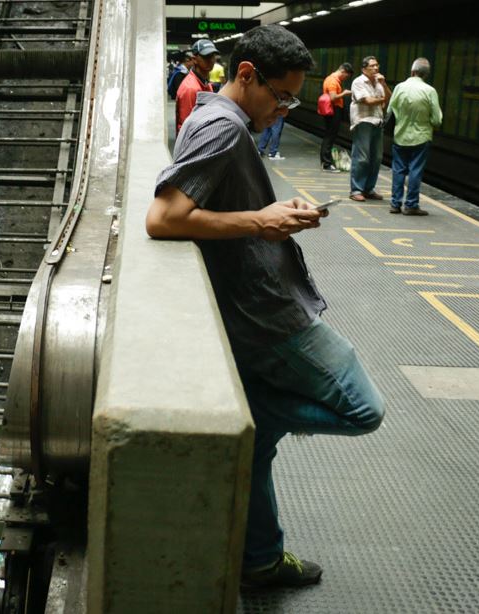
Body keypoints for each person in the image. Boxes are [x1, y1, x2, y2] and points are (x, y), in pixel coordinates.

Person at [146, 24, 385, 590]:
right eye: (281, 96)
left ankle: (260, 559)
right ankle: (255, 416)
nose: (284, 110)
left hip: (251, 303)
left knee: (256, 460)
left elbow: (215, 206)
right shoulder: (223, 129)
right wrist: (261, 221)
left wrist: (275, 212)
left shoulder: (219, 120)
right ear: (247, 75)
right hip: (269, 315)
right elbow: (163, 218)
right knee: (363, 409)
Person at [387, 58, 442, 216]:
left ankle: (395, 204)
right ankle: (411, 205)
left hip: (400, 136)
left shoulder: (399, 87)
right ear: (426, 75)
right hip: (421, 137)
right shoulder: (430, 91)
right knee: (415, 171)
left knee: (398, 170)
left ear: (412, 71)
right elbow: (437, 120)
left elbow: (390, 110)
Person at [348, 56, 390, 201]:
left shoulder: (379, 83)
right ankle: (356, 190)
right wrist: (382, 100)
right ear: (364, 69)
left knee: (376, 158)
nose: (376, 68)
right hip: (363, 122)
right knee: (362, 157)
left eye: (377, 65)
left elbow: (388, 99)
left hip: (378, 122)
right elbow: (368, 101)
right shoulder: (358, 82)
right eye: (372, 66)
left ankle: (369, 189)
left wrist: (384, 84)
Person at [174, 39, 218, 132]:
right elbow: (187, 127)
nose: (211, 60)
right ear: (195, 60)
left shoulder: (205, 82)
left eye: (213, 56)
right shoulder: (190, 89)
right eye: (206, 56)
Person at [320, 62, 353, 172]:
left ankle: (326, 161)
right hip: (333, 109)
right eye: (346, 76)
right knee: (329, 136)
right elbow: (333, 97)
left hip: (333, 110)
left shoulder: (332, 79)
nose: (345, 78)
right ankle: (326, 163)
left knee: (329, 136)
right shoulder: (333, 81)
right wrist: (344, 93)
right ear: (343, 71)